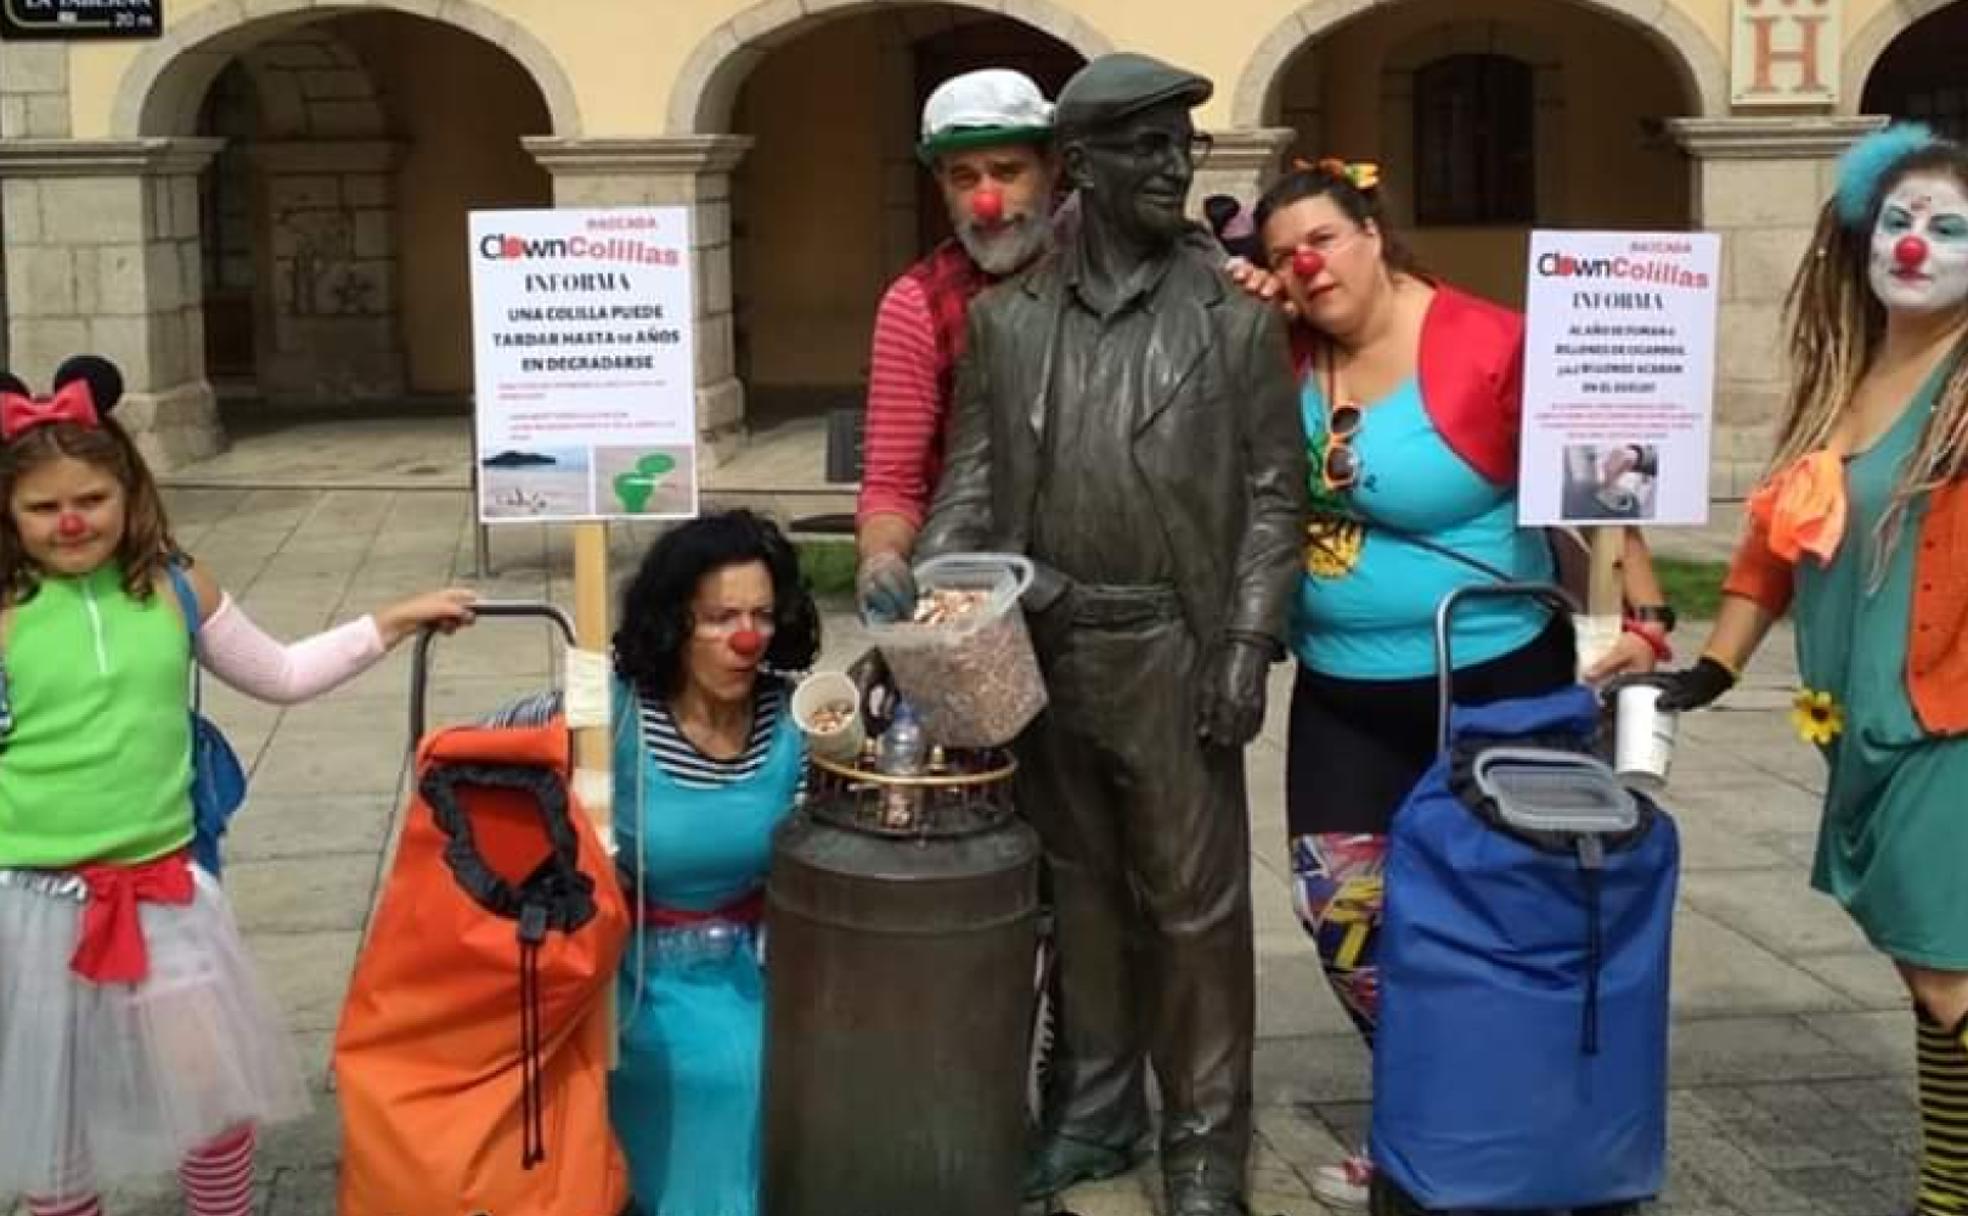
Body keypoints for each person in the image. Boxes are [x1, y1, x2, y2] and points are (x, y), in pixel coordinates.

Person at [1243, 160, 1676, 1208]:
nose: (1306, 265)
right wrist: (1234, 308)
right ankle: (1442, 1106)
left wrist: (1644, 619)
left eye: (1323, 240)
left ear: (1372, 233)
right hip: (1343, 690)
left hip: (1493, 682)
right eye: (1282, 254)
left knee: (1509, 907)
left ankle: (1499, 1136)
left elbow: (1601, 474)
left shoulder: (1488, 342)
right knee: (1340, 909)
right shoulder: (1281, 349)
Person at [919, 52, 1308, 1216]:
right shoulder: (1005, 323)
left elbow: (1276, 500)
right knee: (1080, 892)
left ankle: (1205, 1145)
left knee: (1194, 909)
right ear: (1082, 164)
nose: (1174, 166)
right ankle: (1095, 1114)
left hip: (1174, 648)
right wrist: (935, 595)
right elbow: (968, 484)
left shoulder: (1234, 319)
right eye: (1147, 147)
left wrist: (1245, 644)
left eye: (1182, 145)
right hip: (1043, 648)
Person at [0, 354, 477, 1216]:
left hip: (166, 887)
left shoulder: (173, 585)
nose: (71, 521)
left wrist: (390, 621)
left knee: (215, 1099)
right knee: (53, 1119)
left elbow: (282, 673)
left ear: (130, 490)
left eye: (92, 499)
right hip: (30, 902)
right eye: (43, 507)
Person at [1649, 124, 1968, 1216]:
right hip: (1858, 723)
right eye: (1900, 220)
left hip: (1948, 724)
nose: (1915, 244)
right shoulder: (1845, 376)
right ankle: (1946, 1190)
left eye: (1949, 228)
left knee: (1947, 971)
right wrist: (1714, 668)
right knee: (1929, 974)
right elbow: (1770, 549)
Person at [491, 509, 819, 1215]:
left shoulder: (793, 721)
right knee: (720, 1071)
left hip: (752, 963)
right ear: (675, 623)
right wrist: (562, 855)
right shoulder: (614, 713)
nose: (747, 638)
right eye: (720, 617)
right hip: (628, 971)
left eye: (763, 615)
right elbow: (484, 755)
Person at [855, 67, 1063, 623]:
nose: (987, 200)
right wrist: (881, 558)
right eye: (964, 178)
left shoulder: (1100, 272)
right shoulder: (915, 305)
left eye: (1008, 172)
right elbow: (893, 483)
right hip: (978, 586)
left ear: (1052, 169)